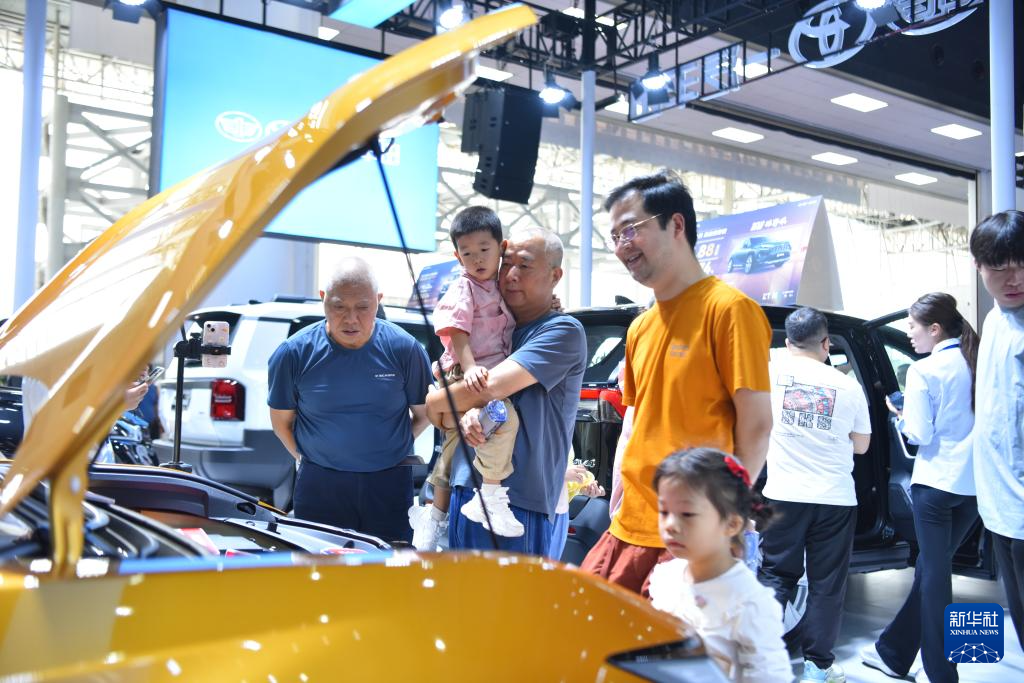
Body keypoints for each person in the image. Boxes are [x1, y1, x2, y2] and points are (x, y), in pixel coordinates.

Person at [580, 169, 773, 595]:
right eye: (614, 236)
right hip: (629, 522)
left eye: (630, 229)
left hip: (693, 530)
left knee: (672, 636)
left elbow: (757, 424)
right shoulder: (640, 327)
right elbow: (634, 419)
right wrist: (619, 495)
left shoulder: (730, 310)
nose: (622, 246)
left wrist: (728, 515)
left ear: (676, 224)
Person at [425, 226, 586, 555]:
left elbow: (490, 388)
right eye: (506, 263)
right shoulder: (498, 328)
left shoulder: (562, 331)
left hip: (517, 501)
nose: (511, 275)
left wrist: (433, 402)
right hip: (465, 487)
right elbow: (456, 412)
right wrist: (448, 411)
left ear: (555, 275)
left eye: (524, 265)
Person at [267, 257, 431, 544]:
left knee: (387, 566)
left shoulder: (405, 349)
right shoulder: (293, 353)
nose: (351, 318)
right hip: (320, 485)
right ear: (323, 299)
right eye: (339, 306)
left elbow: (424, 412)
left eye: (363, 307)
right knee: (319, 565)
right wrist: (308, 459)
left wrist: (394, 446)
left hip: (389, 483)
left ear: (378, 301)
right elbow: (281, 423)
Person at [861, 293, 979, 683]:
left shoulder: (924, 371)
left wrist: (900, 415)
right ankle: (892, 653)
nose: (909, 334)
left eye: (912, 326)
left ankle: (940, 672)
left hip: (935, 486)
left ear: (935, 329)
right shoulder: (977, 362)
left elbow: (920, 434)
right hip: (973, 488)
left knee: (935, 580)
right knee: (931, 571)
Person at [757, 306, 871, 683]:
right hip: (835, 498)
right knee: (826, 584)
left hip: (783, 494)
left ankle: (756, 661)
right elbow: (862, 445)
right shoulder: (848, 386)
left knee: (776, 575)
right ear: (826, 344)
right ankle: (818, 668)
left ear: (789, 343)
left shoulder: (769, 375)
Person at [410, 206, 520, 549]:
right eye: (467, 253)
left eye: (484, 249)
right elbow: (457, 331)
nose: (477, 259)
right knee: (504, 420)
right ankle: (488, 493)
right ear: (457, 257)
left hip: (484, 374)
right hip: (466, 372)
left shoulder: (500, 286)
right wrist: (470, 368)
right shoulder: (465, 287)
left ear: (501, 247)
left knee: (456, 444)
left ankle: (434, 515)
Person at [647, 448, 791, 683]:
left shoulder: (749, 603)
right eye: (664, 511)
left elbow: (769, 676)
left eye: (687, 514)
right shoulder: (666, 577)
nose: (670, 524)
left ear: (731, 524)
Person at [967, 210, 1024, 649]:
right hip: (1000, 505)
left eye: (1023, 264)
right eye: (1001, 266)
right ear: (979, 266)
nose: (1015, 278)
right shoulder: (993, 319)